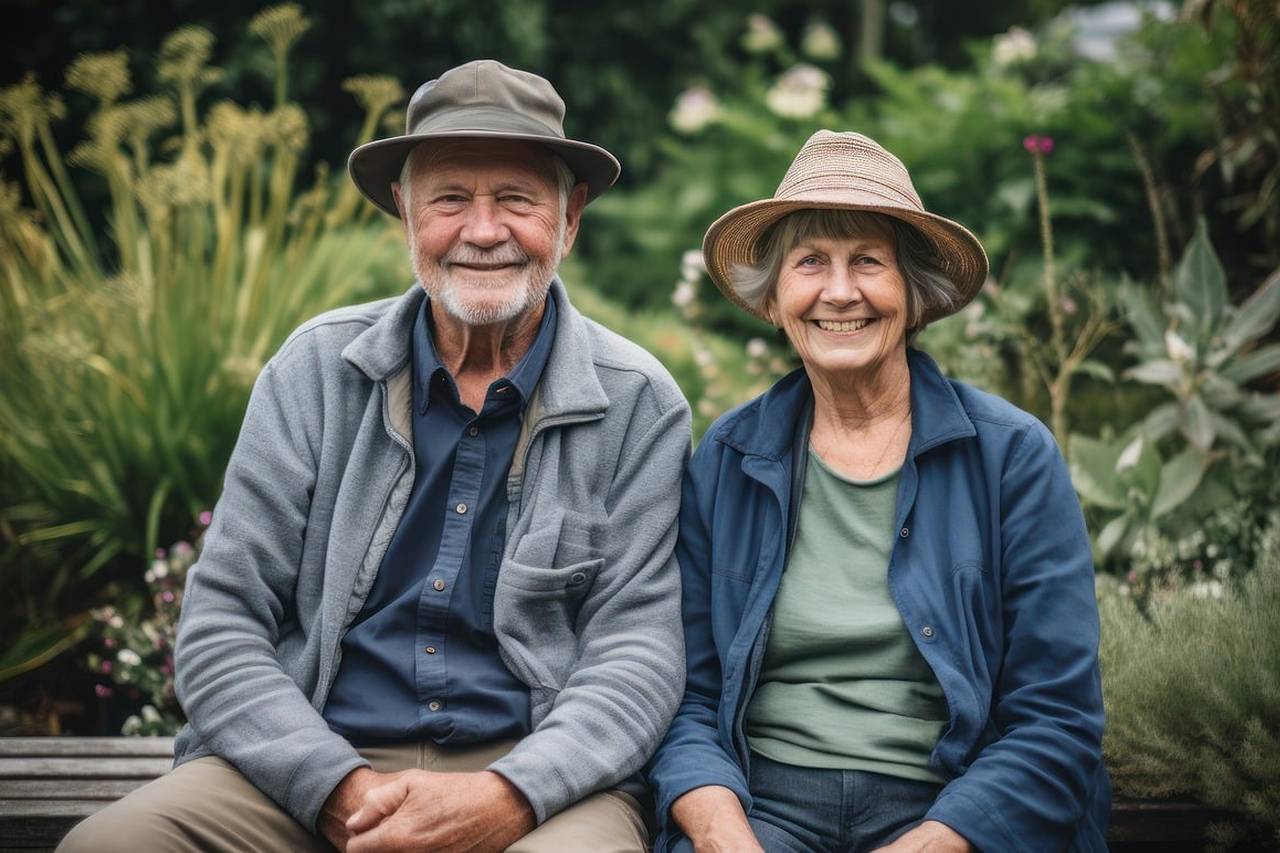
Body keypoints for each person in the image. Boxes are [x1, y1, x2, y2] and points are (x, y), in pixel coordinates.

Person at [60, 60, 691, 853]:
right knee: (109, 845)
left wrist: (509, 796)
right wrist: (337, 790)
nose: (484, 229)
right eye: (451, 198)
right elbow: (221, 624)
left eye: (518, 201)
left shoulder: (638, 401)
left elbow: (639, 653)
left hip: (538, 775)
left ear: (570, 220)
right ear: (405, 211)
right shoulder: (316, 370)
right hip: (312, 754)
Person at [647, 130, 1109, 852]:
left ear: (913, 294)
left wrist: (937, 839)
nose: (839, 291)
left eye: (867, 260)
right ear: (773, 299)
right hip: (762, 800)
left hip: (950, 804)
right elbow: (687, 696)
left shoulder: (1012, 456)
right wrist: (722, 831)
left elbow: (1056, 716)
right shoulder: (729, 458)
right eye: (810, 263)